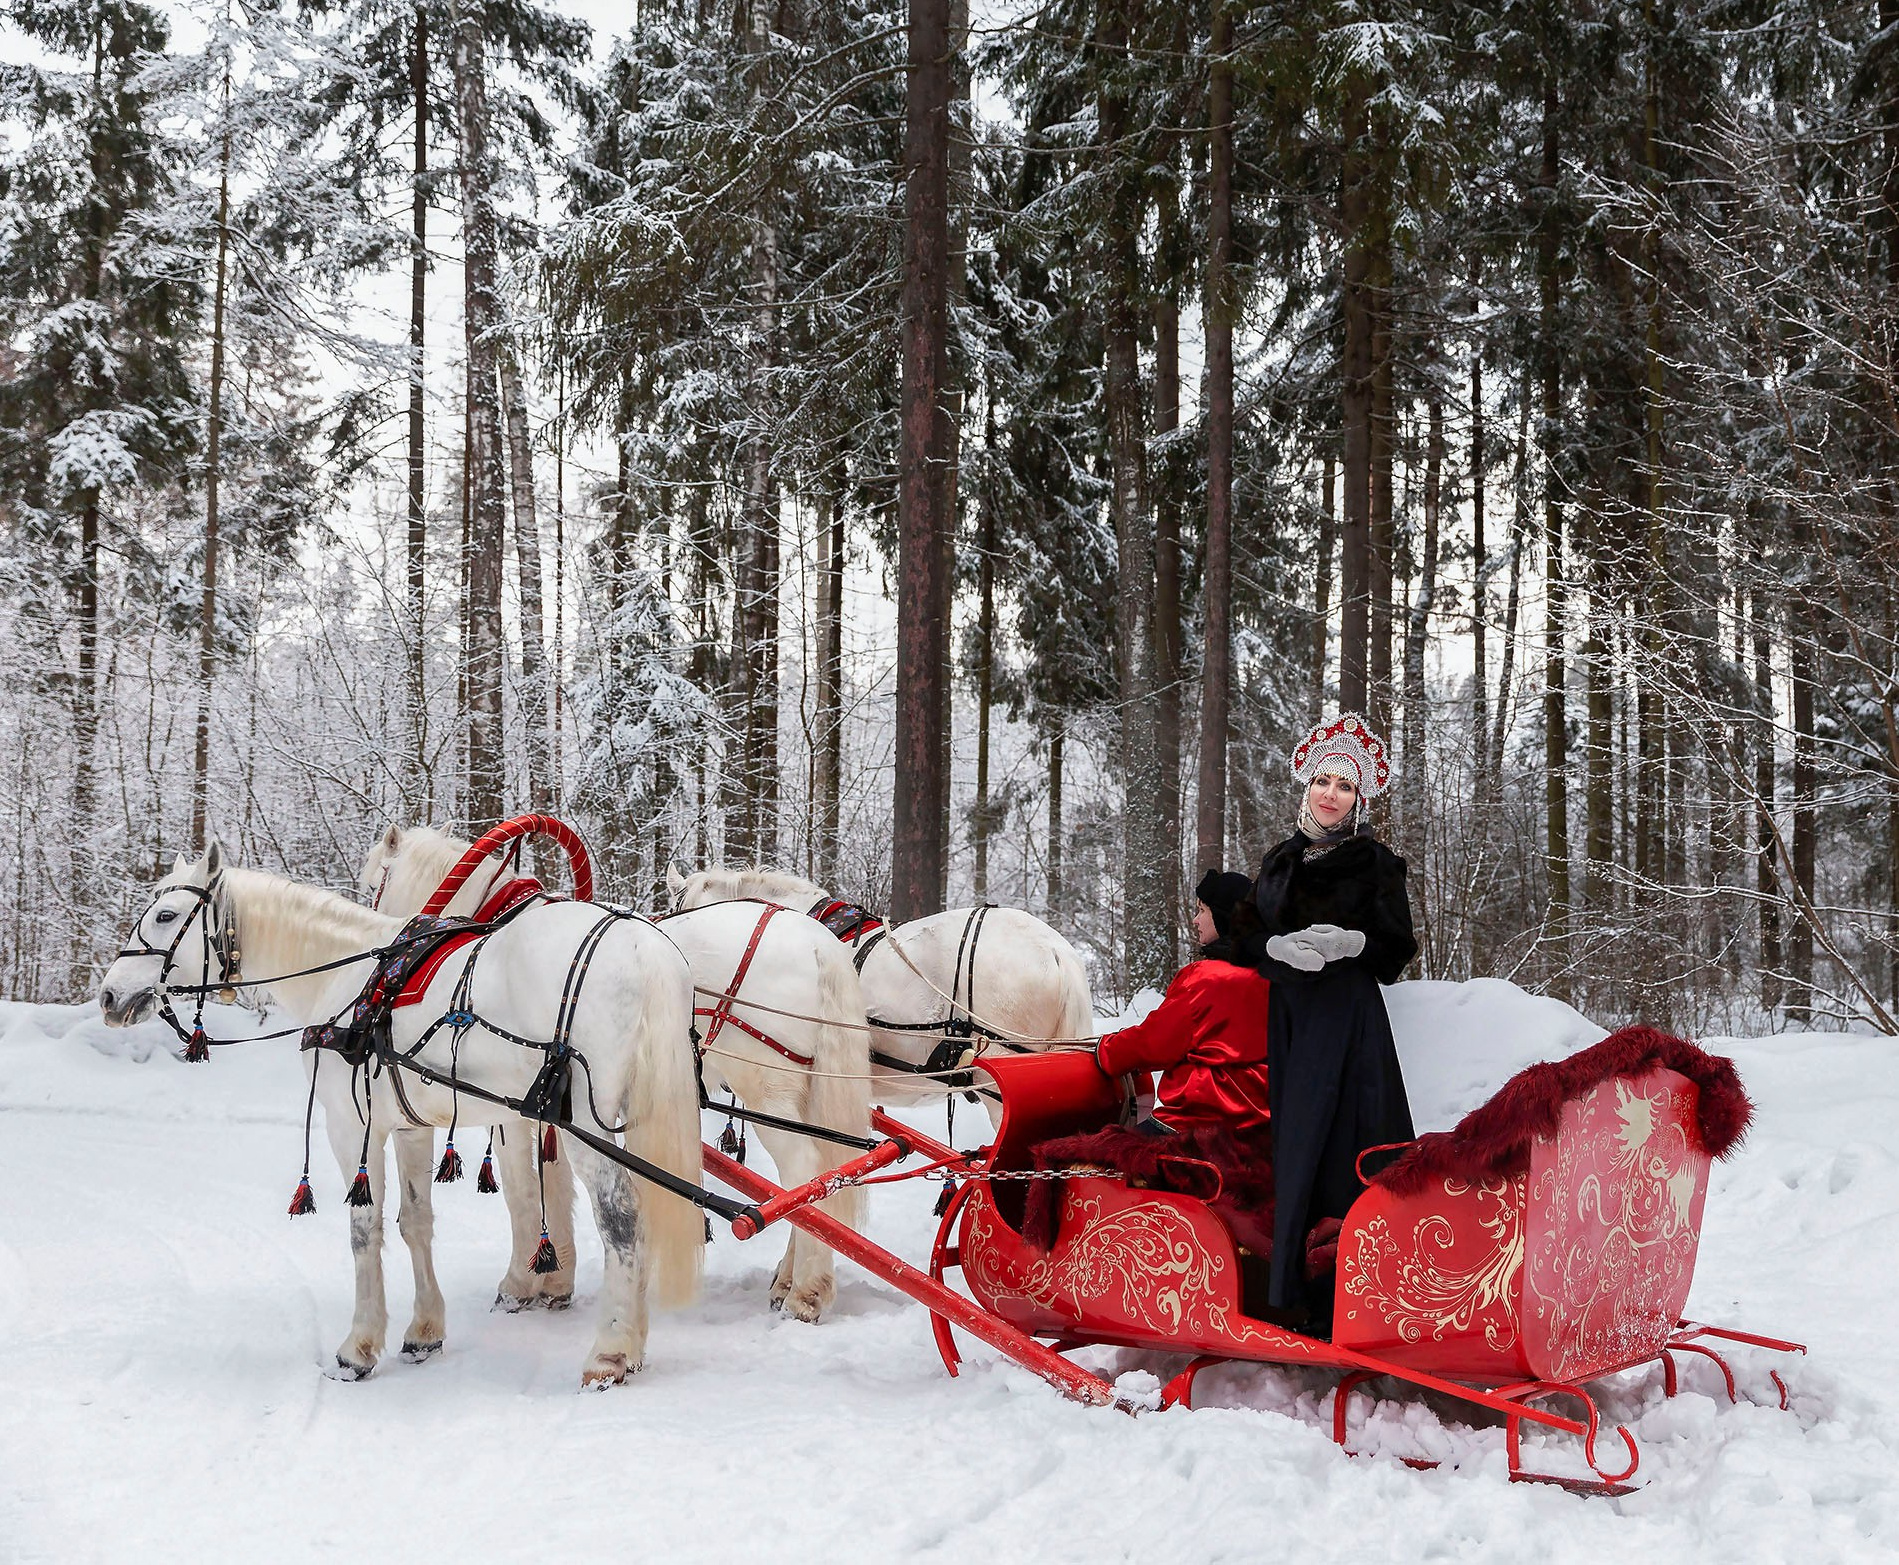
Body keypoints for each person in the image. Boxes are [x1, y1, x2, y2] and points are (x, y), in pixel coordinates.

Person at [1244, 712, 1417, 1324]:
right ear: (1306, 785)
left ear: (1358, 798)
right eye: (1323, 781)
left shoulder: (1375, 863)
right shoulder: (1279, 861)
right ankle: (1296, 1295)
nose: (1331, 795)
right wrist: (1271, 949)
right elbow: (1245, 938)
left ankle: (1365, 1292)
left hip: (1349, 1025)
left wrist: (1354, 945)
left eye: (1345, 786)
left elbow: (1398, 948)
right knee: (1298, 1143)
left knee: (1351, 1139)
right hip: (1292, 1022)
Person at [1093, 870, 1271, 1137]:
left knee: (1085, 1160)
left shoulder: (1206, 979)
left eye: (1202, 911)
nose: (1195, 920)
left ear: (1225, 917)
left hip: (1199, 1124)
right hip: (1265, 1127)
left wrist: (1105, 1051)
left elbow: (1153, 1044)